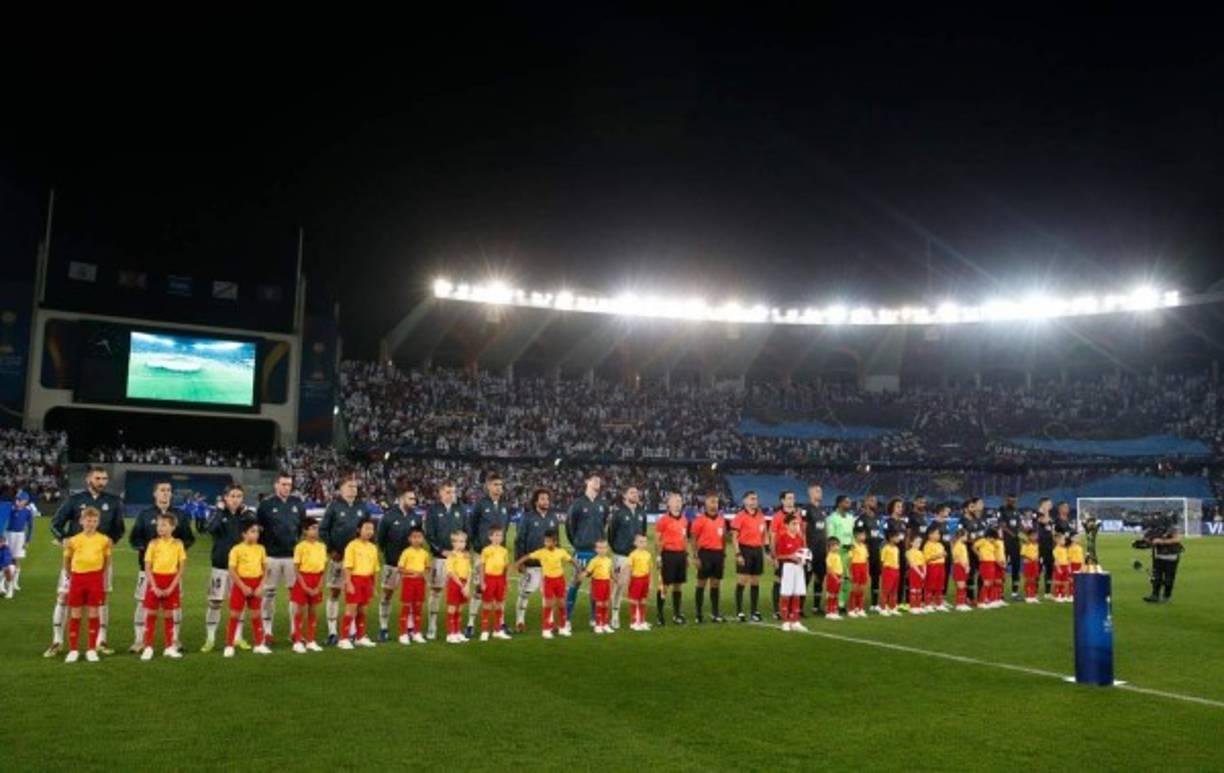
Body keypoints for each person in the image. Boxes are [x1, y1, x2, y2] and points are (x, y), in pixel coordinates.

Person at [46, 466, 125, 658]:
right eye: (98, 478)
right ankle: (57, 641)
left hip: (100, 560)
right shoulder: (75, 500)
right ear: (89, 479)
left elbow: (119, 528)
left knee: (101, 599)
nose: (102, 482)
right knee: (63, 597)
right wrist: (64, 538)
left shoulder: (113, 501)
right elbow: (55, 523)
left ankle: (101, 641)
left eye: (105, 479)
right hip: (75, 560)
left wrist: (111, 542)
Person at [128, 480, 195, 653]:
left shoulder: (180, 515)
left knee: (174, 605)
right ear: (155, 494)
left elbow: (189, 538)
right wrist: (150, 550)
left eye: (168, 490)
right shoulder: (145, 514)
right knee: (142, 603)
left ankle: (174, 639)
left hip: (172, 572)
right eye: (162, 490)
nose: (166, 493)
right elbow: (134, 539)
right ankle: (139, 640)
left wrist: (176, 549)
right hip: (148, 570)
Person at [201, 485, 255, 653]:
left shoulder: (246, 516)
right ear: (225, 497)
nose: (235, 499)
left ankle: (238, 637)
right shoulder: (217, 513)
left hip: (241, 569)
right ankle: (210, 638)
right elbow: (209, 528)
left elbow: (255, 531)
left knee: (239, 605)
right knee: (215, 602)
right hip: (220, 566)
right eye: (232, 496)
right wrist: (219, 511)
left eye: (239, 496)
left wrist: (249, 514)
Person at [319, 475, 371, 645]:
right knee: (334, 592)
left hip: (358, 562)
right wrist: (331, 549)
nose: (353, 490)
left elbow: (368, 530)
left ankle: (354, 632)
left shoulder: (362, 507)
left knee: (356, 597)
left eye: (355, 487)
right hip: (339, 558)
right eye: (349, 486)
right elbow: (323, 530)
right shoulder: (334, 506)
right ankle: (333, 631)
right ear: (341, 489)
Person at [256, 472, 304, 646]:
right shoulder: (266, 505)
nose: (286, 488)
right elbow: (259, 529)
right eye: (283, 484)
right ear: (276, 485)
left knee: (295, 594)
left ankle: (294, 631)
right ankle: (267, 631)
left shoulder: (297, 503)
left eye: (289, 484)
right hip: (271, 556)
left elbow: (300, 528)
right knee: (268, 594)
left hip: (292, 557)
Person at [61, 507, 112, 663]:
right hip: (77, 578)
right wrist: (70, 574)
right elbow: (67, 560)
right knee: (75, 613)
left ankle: (91, 649)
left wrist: (100, 576)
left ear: (98, 522)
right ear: (81, 521)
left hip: (95, 578)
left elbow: (107, 560)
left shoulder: (104, 540)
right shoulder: (73, 540)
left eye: (95, 521)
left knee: (93, 613)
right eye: (88, 520)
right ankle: (73, 650)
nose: (91, 523)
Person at [139, 512, 187, 660]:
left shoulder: (178, 544)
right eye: (158, 525)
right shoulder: (153, 544)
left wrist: (172, 587)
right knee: (151, 614)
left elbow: (181, 568)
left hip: (171, 581)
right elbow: (147, 567)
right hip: (155, 581)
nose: (160, 528)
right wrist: (154, 586)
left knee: (169, 615)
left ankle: (169, 647)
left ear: (173, 527)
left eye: (164, 525)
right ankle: (148, 647)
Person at [466, 472, 509, 637]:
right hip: (482, 554)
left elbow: (505, 527)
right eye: (496, 485)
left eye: (501, 485)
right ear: (488, 486)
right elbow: (471, 525)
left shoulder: (505, 506)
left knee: (500, 590)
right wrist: (475, 546)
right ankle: (470, 624)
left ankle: (500, 625)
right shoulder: (480, 504)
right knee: (479, 588)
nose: (499, 488)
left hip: (499, 555)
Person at [514, 530, 579, 639]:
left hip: (560, 580)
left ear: (555, 542)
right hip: (548, 581)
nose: (546, 544)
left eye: (549, 541)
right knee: (548, 605)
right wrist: (518, 563)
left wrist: (578, 569)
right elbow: (528, 556)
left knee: (562, 604)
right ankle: (546, 629)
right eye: (545, 541)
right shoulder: (541, 552)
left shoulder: (561, 552)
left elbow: (572, 560)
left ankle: (562, 628)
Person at [377, 484, 422, 641]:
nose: (414, 501)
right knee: (387, 595)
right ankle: (383, 627)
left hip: (411, 568)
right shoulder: (388, 517)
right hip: (392, 564)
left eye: (414, 498)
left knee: (410, 598)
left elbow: (418, 540)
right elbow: (380, 540)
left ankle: (410, 628)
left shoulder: (416, 517)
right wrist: (388, 556)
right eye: (411, 498)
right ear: (402, 499)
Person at [513, 488, 561, 632]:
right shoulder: (527, 517)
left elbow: (556, 542)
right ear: (536, 502)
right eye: (542, 499)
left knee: (548, 595)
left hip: (549, 565)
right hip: (532, 564)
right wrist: (520, 561)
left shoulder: (553, 518)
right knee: (525, 592)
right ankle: (520, 621)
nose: (545, 501)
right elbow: (519, 540)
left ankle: (550, 622)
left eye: (547, 499)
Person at [424, 480, 465, 640]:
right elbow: (429, 534)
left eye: (453, 492)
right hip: (440, 559)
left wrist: (464, 551)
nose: (451, 495)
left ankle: (455, 629)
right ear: (441, 493)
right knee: (436, 591)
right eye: (448, 492)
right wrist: (441, 550)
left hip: (458, 560)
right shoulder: (433, 510)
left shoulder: (460, 509)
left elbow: (466, 531)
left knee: (457, 593)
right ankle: (432, 626)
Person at [565, 473, 607, 628]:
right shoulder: (577, 503)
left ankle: (594, 618)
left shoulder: (603, 504)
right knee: (575, 583)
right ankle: (567, 618)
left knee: (597, 585)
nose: (597, 481)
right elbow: (570, 527)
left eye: (599, 479)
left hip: (597, 553)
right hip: (582, 551)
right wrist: (577, 543)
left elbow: (603, 524)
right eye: (593, 479)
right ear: (586, 482)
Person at [225, 521, 270, 657]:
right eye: (252, 531)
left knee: (256, 615)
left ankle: (259, 644)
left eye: (257, 532)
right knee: (234, 615)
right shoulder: (236, 549)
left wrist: (261, 586)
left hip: (256, 583)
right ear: (244, 534)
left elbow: (265, 569)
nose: (256, 534)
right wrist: (243, 586)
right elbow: (232, 570)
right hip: (241, 584)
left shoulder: (261, 549)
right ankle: (229, 645)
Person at [607, 485, 648, 630]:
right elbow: (611, 534)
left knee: (637, 585)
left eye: (636, 492)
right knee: (619, 585)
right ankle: (615, 616)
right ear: (625, 496)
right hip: (622, 555)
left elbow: (643, 532)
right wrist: (617, 549)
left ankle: (637, 617)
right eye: (632, 492)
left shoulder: (642, 512)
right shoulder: (618, 513)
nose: (635, 494)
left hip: (637, 556)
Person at [337, 517, 380, 649]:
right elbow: (347, 566)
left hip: (367, 580)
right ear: (358, 530)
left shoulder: (373, 548)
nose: (369, 531)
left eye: (371, 529)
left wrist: (374, 586)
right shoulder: (352, 546)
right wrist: (348, 583)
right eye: (366, 528)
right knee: (351, 609)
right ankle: (343, 638)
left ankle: (360, 637)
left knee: (363, 609)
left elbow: (375, 569)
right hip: (355, 579)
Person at [689, 492, 728, 623]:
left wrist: (723, 556)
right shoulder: (699, 520)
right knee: (701, 583)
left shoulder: (721, 520)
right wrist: (695, 557)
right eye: (711, 502)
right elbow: (693, 539)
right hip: (704, 553)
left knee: (716, 584)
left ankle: (715, 613)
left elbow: (723, 540)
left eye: (716, 502)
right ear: (706, 504)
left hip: (718, 554)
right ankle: (698, 614)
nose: (714, 505)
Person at [291, 518, 327, 653]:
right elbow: (296, 568)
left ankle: (311, 640)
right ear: (305, 530)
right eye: (312, 528)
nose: (315, 531)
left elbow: (323, 568)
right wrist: (304, 586)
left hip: (316, 579)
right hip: (303, 578)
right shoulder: (300, 547)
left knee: (313, 610)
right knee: (299, 610)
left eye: (316, 528)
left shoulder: (322, 547)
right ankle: (298, 640)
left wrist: (319, 585)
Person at [730, 490, 767, 622]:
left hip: (757, 550)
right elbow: (734, 537)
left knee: (755, 582)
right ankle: (739, 611)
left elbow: (764, 534)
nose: (754, 501)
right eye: (751, 499)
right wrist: (738, 553)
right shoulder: (740, 516)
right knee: (742, 581)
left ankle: (754, 611)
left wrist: (767, 552)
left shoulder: (761, 516)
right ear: (745, 501)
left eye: (755, 499)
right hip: (745, 550)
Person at [655, 492, 689, 625]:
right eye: (675, 501)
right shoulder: (663, 520)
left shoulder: (684, 520)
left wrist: (686, 555)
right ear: (668, 504)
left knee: (678, 585)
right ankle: (660, 615)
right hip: (667, 555)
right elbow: (657, 540)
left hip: (680, 555)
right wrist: (658, 556)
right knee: (664, 586)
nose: (677, 503)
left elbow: (684, 538)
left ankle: (676, 615)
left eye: (679, 501)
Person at [770, 490, 804, 619]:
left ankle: (791, 610)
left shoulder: (797, 515)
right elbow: (772, 537)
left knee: (793, 583)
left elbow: (800, 535)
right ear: (782, 501)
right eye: (789, 498)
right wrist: (774, 556)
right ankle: (776, 610)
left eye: (793, 498)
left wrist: (803, 552)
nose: (791, 501)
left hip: (796, 555)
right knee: (779, 581)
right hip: (783, 553)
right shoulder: (777, 516)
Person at [477, 526, 512, 641]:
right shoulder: (486, 550)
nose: (498, 538)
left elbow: (506, 567)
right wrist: (482, 581)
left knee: (499, 604)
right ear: (490, 537)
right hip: (489, 579)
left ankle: (497, 630)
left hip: (500, 580)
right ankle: (484, 631)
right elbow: (482, 567)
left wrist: (507, 581)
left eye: (500, 535)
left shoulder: (504, 551)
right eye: (496, 535)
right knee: (487, 605)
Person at [774, 514, 808, 631]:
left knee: (797, 593)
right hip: (788, 567)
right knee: (786, 594)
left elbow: (803, 553)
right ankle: (785, 621)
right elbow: (778, 556)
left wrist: (804, 560)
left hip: (798, 568)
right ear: (786, 525)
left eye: (797, 523)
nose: (796, 526)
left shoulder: (799, 538)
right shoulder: (782, 538)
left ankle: (795, 621)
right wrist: (790, 556)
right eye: (793, 524)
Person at [397, 528, 430, 644]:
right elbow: (400, 568)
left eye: (419, 537)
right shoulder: (406, 552)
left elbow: (427, 568)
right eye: (414, 537)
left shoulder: (425, 553)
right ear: (409, 539)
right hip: (409, 581)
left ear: (423, 539)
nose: (417, 539)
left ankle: (416, 632)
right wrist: (412, 572)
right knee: (406, 607)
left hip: (420, 583)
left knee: (418, 607)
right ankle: (403, 633)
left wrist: (424, 574)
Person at [826, 495, 857, 612]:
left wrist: (853, 545)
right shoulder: (832, 518)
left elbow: (852, 535)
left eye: (849, 502)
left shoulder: (851, 518)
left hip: (848, 554)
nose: (848, 504)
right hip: (837, 555)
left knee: (847, 580)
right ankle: (835, 604)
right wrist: (840, 547)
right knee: (836, 579)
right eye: (846, 502)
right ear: (839, 503)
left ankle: (843, 603)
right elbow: (831, 538)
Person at [443, 530, 473, 644]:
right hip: (455, 583)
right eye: (459, 541)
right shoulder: (451, 556)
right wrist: (462, 586)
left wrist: (468, 585)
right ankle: (450, 634)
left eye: (463, 541)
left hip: (464, 583)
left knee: (460, 609)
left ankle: (457, 632)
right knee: (452, 608)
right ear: (453, 543)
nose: (461, 544)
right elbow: (451, 573)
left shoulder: (465, 556)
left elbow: (469, 571)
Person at [4, 490, 35, 595]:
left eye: (20, 499)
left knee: (16, 559)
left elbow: (30, 527)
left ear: (25, 501)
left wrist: (27, 540)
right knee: (5, 559)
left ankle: (15, 582)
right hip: (8, 534)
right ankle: (3, 583)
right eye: (17, 499)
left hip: (20, 536)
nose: (18, 501)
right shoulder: (10, 508)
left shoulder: (28, 511)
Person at [855, 493, 882, 612]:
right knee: (860, 580)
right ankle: (856, 604)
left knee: (876, 577)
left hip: (876, 551)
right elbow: (857, 536)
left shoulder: (877, 518)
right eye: (871, 500)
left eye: (875, 501)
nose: (874, 503)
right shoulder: (861, 519)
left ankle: (875, 603)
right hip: (864, 554)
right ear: (866, 503)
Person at [803, 484, 827, 615]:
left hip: (821, 550)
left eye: (821, 491)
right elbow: (803, 529)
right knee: (806, 578)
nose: (820, 493)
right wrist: (805, 548)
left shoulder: (822, 510)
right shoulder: (807, 509)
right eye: (817, 491)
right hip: (810, 550)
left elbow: (824, 529)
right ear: (810, 493)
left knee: (820, 578)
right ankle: (799, 607)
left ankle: (816, 607)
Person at [583, 539, 615, 633]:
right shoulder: (594, 561)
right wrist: (582, 576)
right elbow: (588, 571)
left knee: (606, 604)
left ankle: (605, 624)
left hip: (606, 583)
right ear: (596, 549)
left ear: (607, 549)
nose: (602, 550)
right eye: (600, 548)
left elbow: (611, 572)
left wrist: (615, 578)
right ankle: (598, 625)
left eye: (604, 548)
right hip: (597, 583)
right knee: (599, 604)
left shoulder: (609, 560)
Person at [1144, 523, 1182, 604]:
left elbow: (1177, 539)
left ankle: (1167, 597)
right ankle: (1155, 596)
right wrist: (1148, 542)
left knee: (1168, 579)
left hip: (1171, 557)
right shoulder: (1153, 529)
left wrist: (1162, 541)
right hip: (1158, 556)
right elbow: (1148, 540)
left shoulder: (1172, 527)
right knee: (1156, 577)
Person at [623, 533, 653, 631]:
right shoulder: (633, 555)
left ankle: (642, 621)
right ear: (635, 543)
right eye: (640, 542)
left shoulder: (648, 555)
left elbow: (650, 569)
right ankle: (634, 621)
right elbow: (629, 569)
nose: (643, 544)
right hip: (636, 580)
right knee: (634, 600)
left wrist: (650, 582)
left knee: (643, 600)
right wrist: (628, 581)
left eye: (644, 541)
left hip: (645, 579)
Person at [998, 493, 1023, 600]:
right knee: (1002, 567)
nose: (1013, 502)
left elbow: (1019, 525)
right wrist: (1013, 535)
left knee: (1016, 567)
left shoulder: (1017, 511)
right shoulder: (1002, 510)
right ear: (1006, 500)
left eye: (1014, 500)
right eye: (1010, 500)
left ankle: (1015, 593)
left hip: (1016, 543)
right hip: (1006, 542)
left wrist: (1025, 534)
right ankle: (1000, 593)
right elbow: (1002, 526)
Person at [1034, 497, 1056, 598]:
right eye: (1049, 503)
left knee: (1049, 568)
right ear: (1043, 504)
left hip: (1049, 546)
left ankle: (1047, 592)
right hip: (1040, 546)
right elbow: (1044, 522)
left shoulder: (1049, 516)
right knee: (1038, 568)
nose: (1051, 505)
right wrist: (1045, 511)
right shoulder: (1038, 514)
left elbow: (1051, 530)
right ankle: (1033, 591)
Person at [923, 526, 948, 612]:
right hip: (932, 567)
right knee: (930, 585)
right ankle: (928, 604)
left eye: (939, 534)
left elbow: (943, 554)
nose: (939, 535)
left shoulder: (940, 544)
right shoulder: (927, 545)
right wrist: (938, 556)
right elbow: (926, 558)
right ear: (930, 535)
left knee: (940, 586)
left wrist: (944, 554)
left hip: (941, 566)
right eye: (937, 533)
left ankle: (939, 604)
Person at [879, 528, 902, 616]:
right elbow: (882, 561)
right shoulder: (885, 548)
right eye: (897, 537)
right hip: (888, 570)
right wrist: (883, 572)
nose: (898, 538)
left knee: (894, 590)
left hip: (896, 570)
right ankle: (883, 608)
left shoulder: (896, 548)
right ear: (891, 538)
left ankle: (892, 607)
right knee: (886, 590)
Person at [847, 529, 869, 618]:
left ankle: (859, 608)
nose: (864, 537)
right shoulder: (853, 546)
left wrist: (867, 570)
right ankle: (851, 609)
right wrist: (850, 571)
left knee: (862, 588)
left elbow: (866, 559)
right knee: (854, 588)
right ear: (856, 536)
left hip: (863, 567)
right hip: (855, 566)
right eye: (862, 535)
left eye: (864, 535)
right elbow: (850, 559)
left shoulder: (864, 546)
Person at [951, 528, 972, 611]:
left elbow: (964, 557)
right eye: (966, 535)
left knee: (963, 586)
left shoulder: (962, 545)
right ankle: (959, 604)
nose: (967, 537)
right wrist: (965, 566)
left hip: (964, 566)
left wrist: (967, 565)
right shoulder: (957, 545)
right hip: (959, 567)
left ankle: (962, 603)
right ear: (961, 536)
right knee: (961, 586)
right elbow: (958, 558)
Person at [905, 536, 926, 614]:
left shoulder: (921, 552)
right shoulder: (909, 552)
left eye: (919, 542)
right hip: (914, 571)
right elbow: (912, 564)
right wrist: (920, 573)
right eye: (916, 542)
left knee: (919, 589)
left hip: (920, 571)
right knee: (913, 589)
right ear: (911, 543)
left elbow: (924, 563)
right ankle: (913, 607)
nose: (918, 544)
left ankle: (918, 606)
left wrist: (924, 572)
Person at [823, 538, 843, 620]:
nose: (836, 547)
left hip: (838, 576)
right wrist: (835, 578)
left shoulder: (838, 555)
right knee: (831, 594)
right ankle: (829, 612)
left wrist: (840, 577)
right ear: (829, 547)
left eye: (837, 545)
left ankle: (834, 611)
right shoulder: (829, 556)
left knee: (836, 594)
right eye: (833, 546)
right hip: (832, 577)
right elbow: (829, 569)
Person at [1021, 528, 1041, 603]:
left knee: (1034, 580)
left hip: (1035, 563)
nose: (1035, 537)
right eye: (1033, 536)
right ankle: (1027, 595)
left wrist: (1037, 559)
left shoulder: (1036, 544)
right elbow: (1023, 554)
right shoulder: (1025, 544)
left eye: (1036, 535)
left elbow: (1037, 554)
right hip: (1028, 563)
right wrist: (1030, 558)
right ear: (1029, 536)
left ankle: (1032, 595)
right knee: (1029, 579)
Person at [1051, 533, 1071, 602]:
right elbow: (1056, 560)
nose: (1064, 541)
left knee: (1065, 581)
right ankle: (1056, 595)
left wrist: (1069, 566)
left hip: (1065, 566)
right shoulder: (1056, 549)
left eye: (1064, 540)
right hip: (1059, 566)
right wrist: (1058, 568)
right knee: (1058, 582)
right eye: (1063, 540)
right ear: (1057, 540)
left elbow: (1068, 558)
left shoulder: (1065, 549)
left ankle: (1062, 595)